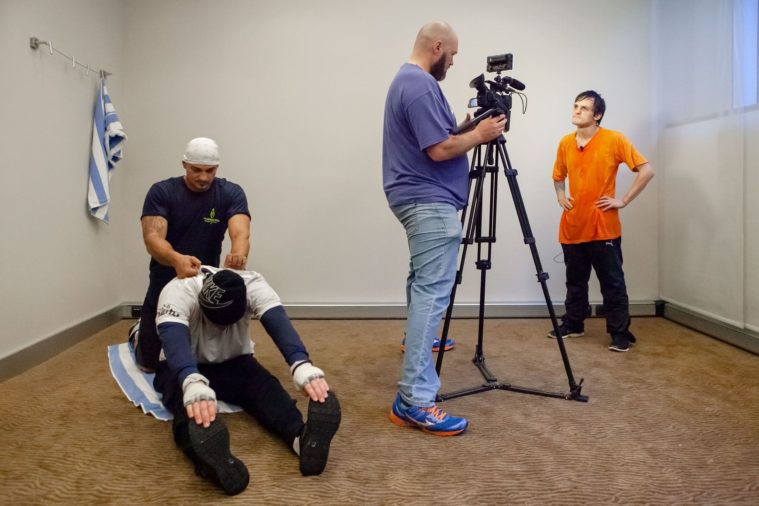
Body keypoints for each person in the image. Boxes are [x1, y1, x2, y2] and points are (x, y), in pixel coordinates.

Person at [382, 21, 506, 436]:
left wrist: (467, 128)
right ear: (437, 47)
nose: (453, 62)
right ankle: (415, 399)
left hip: (418, 196)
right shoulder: (418, 85)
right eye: (451, 55)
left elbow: (440, 138)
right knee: (433, 297)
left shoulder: (410, 82)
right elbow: (438, 150)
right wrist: (482, 135)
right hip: (427, 199)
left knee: (422, 286)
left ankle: (417, 344)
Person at [153, 266, 341, 495]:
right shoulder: (177, 291)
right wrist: (190, 380)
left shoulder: (251, 284)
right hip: (184, 366)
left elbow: (277, 322)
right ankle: (211, 464)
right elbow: (173, 339)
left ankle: (300, 439)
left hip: (233, 361)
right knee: (190, 412)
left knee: (266, 390)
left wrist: (301, 364)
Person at [131, 137, 251, 372]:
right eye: (196, 169)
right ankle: (138, 332)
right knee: (149, 365)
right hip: (165, 278)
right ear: (184, 164)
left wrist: (237, 254)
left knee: (206, 361)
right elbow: (152, 238)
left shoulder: (231, 192)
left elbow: (241, 233)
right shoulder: (162, 191)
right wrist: (177, 259)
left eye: (210, 170)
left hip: (205, 281)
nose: (204, 177)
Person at [549, 90, 654, 352]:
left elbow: (646, 170)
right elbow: (558, 175)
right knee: (574, 281)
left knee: (613, 283)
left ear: (597, 115)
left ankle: (619, 332)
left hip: (603, 226)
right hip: (573, 225)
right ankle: (574, 324)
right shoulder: (565, 142)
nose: (576, 111)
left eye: (584, 108)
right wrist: (561, 195)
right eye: (575, 106)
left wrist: (623, 200)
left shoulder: (614, 139)